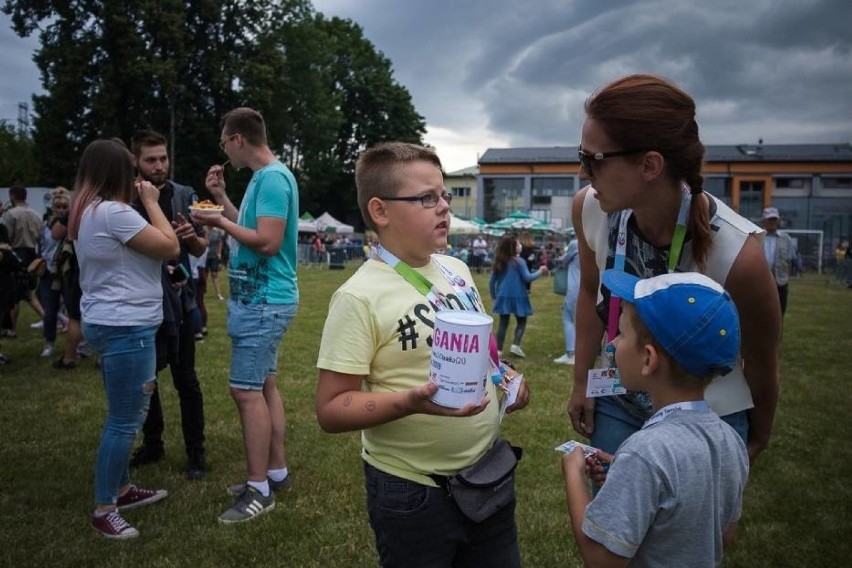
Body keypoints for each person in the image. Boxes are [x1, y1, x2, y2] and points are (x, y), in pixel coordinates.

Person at [316, 141, 531, 567]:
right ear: (381, 212)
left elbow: (484, 354)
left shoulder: (458, 270)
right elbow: (331, 409)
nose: (444, 207)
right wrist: (409, 401)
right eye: (426, 198)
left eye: (445, 195)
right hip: (412, 489)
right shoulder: (358, 297)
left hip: (487, 474)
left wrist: (505, 379)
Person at [567, 74, 780, 466]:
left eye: (592, 160)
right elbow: (589, 293)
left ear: (650, 165)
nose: (583, 173)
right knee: (613, 524)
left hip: (706, 417)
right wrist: (582, 381)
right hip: (618, 397)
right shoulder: (591, 207)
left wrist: (757, 435)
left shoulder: (737, 255)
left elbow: (762, 360)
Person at [562, 270, 749, 567]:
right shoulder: (731, 442)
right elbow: (725, 534)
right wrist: (630, 473)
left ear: (648, 359)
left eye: (621, 333)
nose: (611, 345)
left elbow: (601, 559)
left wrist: (574, 476)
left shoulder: (645, 453)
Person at [70, 139, 180, 539]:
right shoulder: (115, 213)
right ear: (119, 174)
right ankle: (105, 507)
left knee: (123, 412)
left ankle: (122, 488)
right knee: (124, 421)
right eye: (132, 171)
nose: (139, 179)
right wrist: (151, 203)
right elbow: (169, 246)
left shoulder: (86, 211)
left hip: (106, 319)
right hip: (127, 326)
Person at [195, 107, 299, 523]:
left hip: (263, 302)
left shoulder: (272, 177)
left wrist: (216, 221)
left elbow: (269, 243)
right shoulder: (264, 177)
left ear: (238, 139)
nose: (224, 152)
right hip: (261, 300)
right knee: (264, 386)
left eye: (224, 143)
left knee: (246, 392)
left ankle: (258, 489)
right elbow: (253, 228)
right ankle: (276, 472)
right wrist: (222, 204)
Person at [127, 129, 210, 480]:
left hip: (180, 301)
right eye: (151, 160)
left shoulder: (183, 194)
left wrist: (192, 239)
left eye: (163, 158)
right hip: (142, 300)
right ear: (136, 161)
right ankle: (153, 443)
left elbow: (202, 248)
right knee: (148, 379)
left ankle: (196, 453)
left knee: (186, 380)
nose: (159, 166)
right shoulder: (126, 198)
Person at [489, 234, 548, 358]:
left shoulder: (500, 261)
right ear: (513, 248)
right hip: (519, 296)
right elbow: (528, 277)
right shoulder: (520, 262)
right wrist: (540, 271)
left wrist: (494, 297)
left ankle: (499, 350)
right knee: (522, 320)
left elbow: (491, 282)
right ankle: (515, 345)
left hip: (503, 296)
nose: (520, 246)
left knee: (503, 323)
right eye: (518, 244)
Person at [1, 185, 45, 336]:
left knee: (17, 292)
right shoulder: (35, 214)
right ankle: (11, 327)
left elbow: (5, 237)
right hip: (32, 253)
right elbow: (41, 236)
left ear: (13, 196)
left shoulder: (10, 215)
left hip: (15, 253)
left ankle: (12, 328)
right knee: (23, 291)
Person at [35, 189, 71, 358]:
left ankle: (74, 346)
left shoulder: (71, 224)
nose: (62, 210)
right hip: (49, 271)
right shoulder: (45, 224)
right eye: (58, 206)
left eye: (65, 206)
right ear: (53, 207)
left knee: (73, 310)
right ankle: (49, 343)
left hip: (67, 271)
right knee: (50, 310)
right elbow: (42, 246)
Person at [761, 207, 797, 317]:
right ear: (763, 221)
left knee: (779, 315)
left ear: (778, 221)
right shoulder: (757, 237)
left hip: (781, 283)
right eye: (769, 219)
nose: (772, 222)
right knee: (762, 315)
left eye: (774, 219)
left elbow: (790, 260)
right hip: (761, 284)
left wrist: (786, 279)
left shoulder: (786, 239)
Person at [554, 238, 581, 365]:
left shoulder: (576, 243)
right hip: (594, 286)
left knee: (568, 317)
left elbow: (564, 261)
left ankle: (571, 353)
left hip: (575, 287)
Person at [205, 225, 225, 300]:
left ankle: (218, 294)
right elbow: (206, 243)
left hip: (214, 255)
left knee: (215, 274)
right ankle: (202, 292)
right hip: (205, 256)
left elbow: (220, 242)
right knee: (205, 275)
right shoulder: (204, 231)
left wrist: (219, 253)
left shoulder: (217, 232)